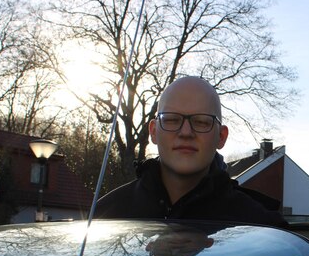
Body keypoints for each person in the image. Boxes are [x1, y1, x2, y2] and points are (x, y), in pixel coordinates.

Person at [95, 76, 286, 227]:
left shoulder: (261, 227)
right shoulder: (104, 217)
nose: (186, 132)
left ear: (221, 137)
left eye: (201, 122)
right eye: (171, 120)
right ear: (153, 131)